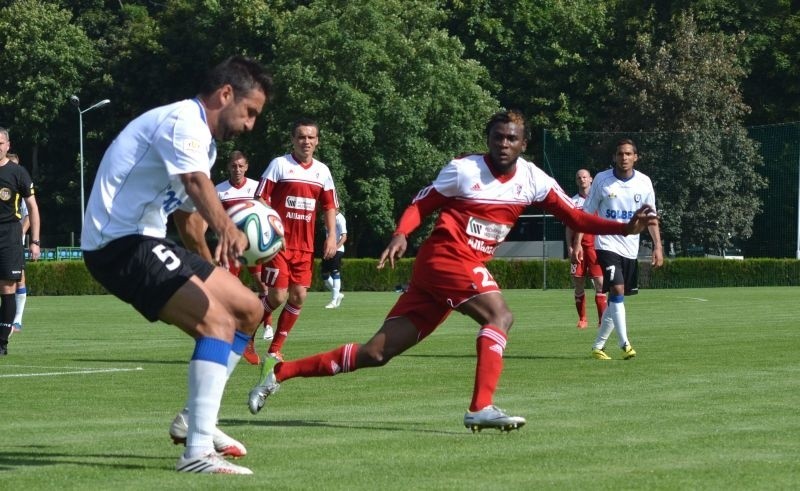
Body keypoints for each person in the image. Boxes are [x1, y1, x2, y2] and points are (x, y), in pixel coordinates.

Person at [247, 110, 658, 431]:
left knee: (376, 353)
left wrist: (625, 227)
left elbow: (576, 216)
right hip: (445, 257)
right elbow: (421, 203)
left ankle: (279, 372)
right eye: (497, 137)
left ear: (523, 144)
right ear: (487, 140)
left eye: (511, 138)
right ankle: (480, 407)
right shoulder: (463, 169)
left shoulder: (532, 178)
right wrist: (401, 233)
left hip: (447, 273)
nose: (503, 144)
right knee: (501, 316)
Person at [81, 55, 272, 474]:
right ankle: (197, 453)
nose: (250, 125)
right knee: (216, 323)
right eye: (250, 112)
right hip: (119, 244)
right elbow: (195, 185)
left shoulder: (204, 143)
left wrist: (212, 266)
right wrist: (226, 227)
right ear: (226, 94)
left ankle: (194, 420)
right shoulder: (183, 121)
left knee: (247, 309)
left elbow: (187, 215)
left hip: (147, 239)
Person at [254, 118, 338, 361]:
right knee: (278, 296)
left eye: (311, 137)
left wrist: (332, 235)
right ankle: (246, 334)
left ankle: (274, 349)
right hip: (279, 244)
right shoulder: (279, 165)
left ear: (317, 141)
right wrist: (272, 223)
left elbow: (330, 206)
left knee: (299, 296)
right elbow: (260, 197)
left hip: (305, 246)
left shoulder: (322, 171)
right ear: (293, 140)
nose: (306, 141)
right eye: (301, 137)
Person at [579, 138, 663, 360]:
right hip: (606, 244)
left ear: (635, 157)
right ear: (614, 157)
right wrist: (577, 242)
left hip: (630, 247)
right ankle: (624, 343)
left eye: (628, 154)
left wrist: (658, 247)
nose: (623, 158)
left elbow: (652, 217)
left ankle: (598, 346)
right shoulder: (602, 180)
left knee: (617, 297)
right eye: (620, 154)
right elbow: (586, 214)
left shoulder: (644, 183)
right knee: (616, 290)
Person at [215, 150, 274, 365]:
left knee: (263, 286)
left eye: (241, 166)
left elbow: (268, 214)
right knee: (230, 292)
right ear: (228, 167)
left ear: (246, 166)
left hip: (254, 248)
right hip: (232, 249)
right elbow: (216, 220)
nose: (237, 169)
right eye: (233, 166)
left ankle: (266, 323)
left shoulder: (256, 187)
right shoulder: (219, 190)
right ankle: (230, 336)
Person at [0, 132, 41, 356]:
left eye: (0, 143)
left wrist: (34, 241)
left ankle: (2, 342)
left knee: (7, 288)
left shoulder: (18, 173)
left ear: (7, 145)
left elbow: (33, 208)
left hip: (9, 236)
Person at [565, 169, 606, 329]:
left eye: (585, 177)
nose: (582, 180)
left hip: (596, 247)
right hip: (578, 249)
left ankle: (602, 320)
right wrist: (569, 245)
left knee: (600, 283)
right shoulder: (572, 202)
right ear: (577, 181)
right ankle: (582, 319)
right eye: (579, 178)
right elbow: (569, 226)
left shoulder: (599, 199)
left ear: (591, 180)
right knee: (578, 282)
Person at [7, 153, 30, 333]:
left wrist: (17, 233)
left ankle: (17, 320)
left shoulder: (22, 192)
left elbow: (28, 216)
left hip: (14, 242)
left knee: (19, 279)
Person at [321, 210, 347, 309]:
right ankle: (338, 294)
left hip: (337, 249)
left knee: (335, 272)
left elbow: (344, 236)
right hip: (328, 249)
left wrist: (335, 248)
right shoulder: (328, 217)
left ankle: (334, 300)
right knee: (324, 274)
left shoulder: (340, 218)